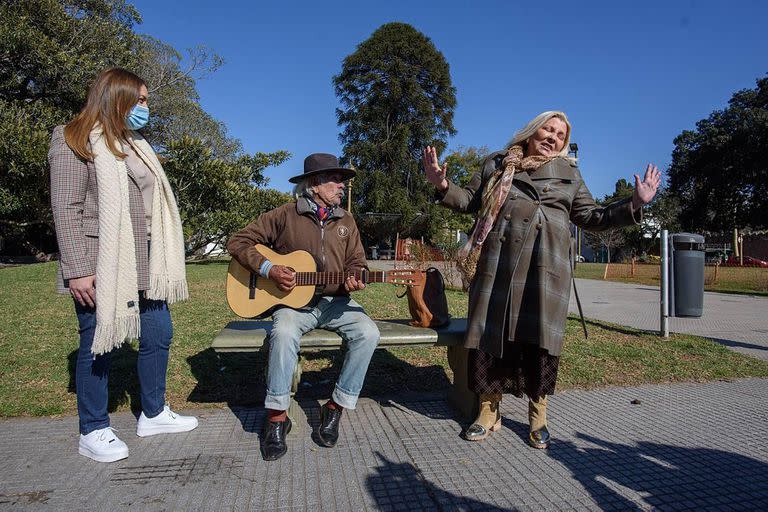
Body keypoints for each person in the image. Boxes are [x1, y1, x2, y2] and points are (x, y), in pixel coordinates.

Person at [423, 111, 660, 448]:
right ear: (532, 131)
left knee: (540, 341)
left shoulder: (569, 173)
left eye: (560, 135)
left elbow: (592, 216)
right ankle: (488, 411)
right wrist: (441, 184)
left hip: (545, 269)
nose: (553, 137)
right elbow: (469, 201)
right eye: (548, 129)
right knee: (491, 336)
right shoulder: (498, 164)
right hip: (498, 266)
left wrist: (634, 203)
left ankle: (539, 415)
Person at [49, 68, 198, 463]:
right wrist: (77, 268)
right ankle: (93, 429)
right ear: (118, 97)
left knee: (158, 332)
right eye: (142, 100)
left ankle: (153, 412)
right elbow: (66, 209)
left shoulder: (136, 143)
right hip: (103, 259)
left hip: (148, 256)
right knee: (99, 343)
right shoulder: (74, 139)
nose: (146, 107)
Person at [227, 153, 380, 461]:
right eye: (336, 180)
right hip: (294, 306)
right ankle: (276, 418)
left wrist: (356, 276)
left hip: (336, 302)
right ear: (315, 184)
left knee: (368, 332)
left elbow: (357, 262)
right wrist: (269, 269)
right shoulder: (284, 215)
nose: (342, 186)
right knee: (282, 332)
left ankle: (335, 408)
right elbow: (238, 241)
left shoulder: (346, 221)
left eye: (342, 181)